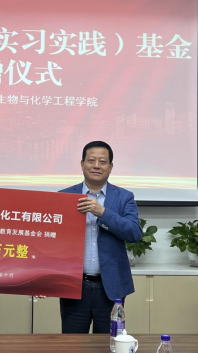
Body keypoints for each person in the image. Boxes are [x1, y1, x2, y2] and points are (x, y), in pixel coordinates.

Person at [58, 141, 142, 334]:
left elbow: (134, 233)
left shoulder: (124, 197)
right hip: (73, 286)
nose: (96, 165)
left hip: (110, 289)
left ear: (110, 167)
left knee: (108, 344)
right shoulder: (64, 196)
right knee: (72, 344)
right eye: (91, 160)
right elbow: (52, 242)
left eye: (102, 161)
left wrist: (103, 212)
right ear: (82, 164)